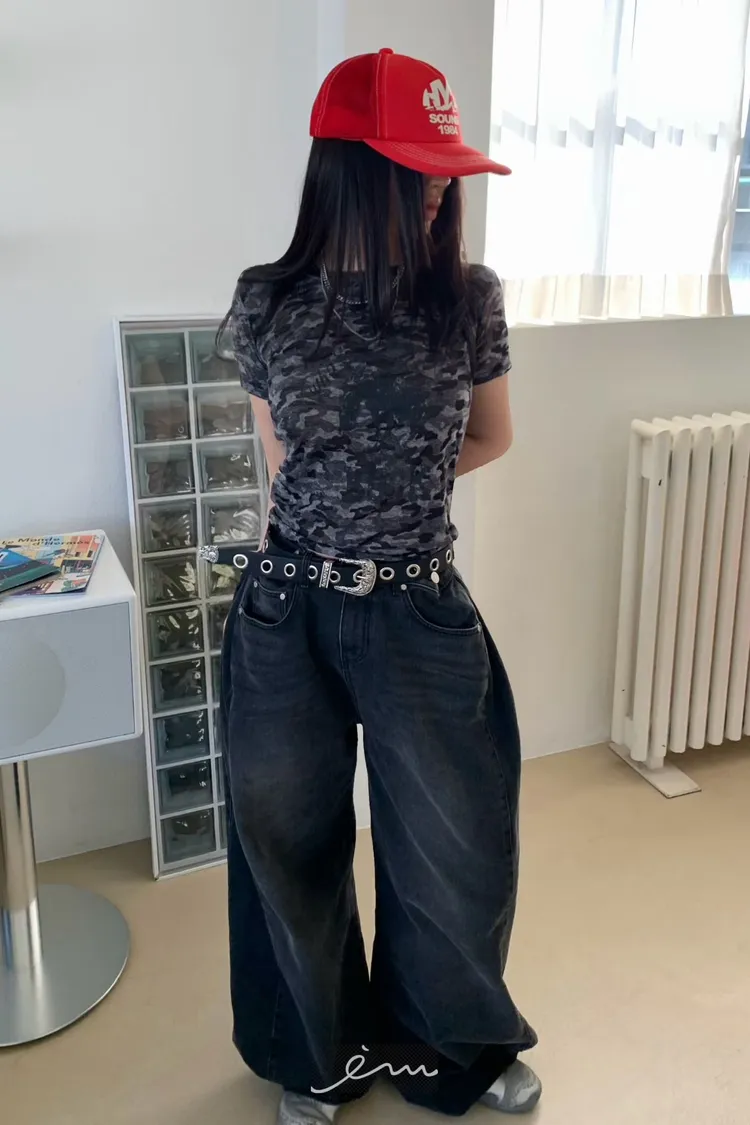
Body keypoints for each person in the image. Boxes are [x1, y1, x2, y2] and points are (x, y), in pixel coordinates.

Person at [216, 47, 540, 1124]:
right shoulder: (267, 301)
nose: (439, 189)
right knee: (289, 844)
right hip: (288, 609)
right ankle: (318, 1056)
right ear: (351, 171)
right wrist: (351, 490)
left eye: (446, 171)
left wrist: (395, 481)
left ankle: (452, 1048)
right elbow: (284, 464)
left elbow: (490, 435)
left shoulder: (468, 298)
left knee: (457, 846)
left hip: (419, 605)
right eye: (418, 169)